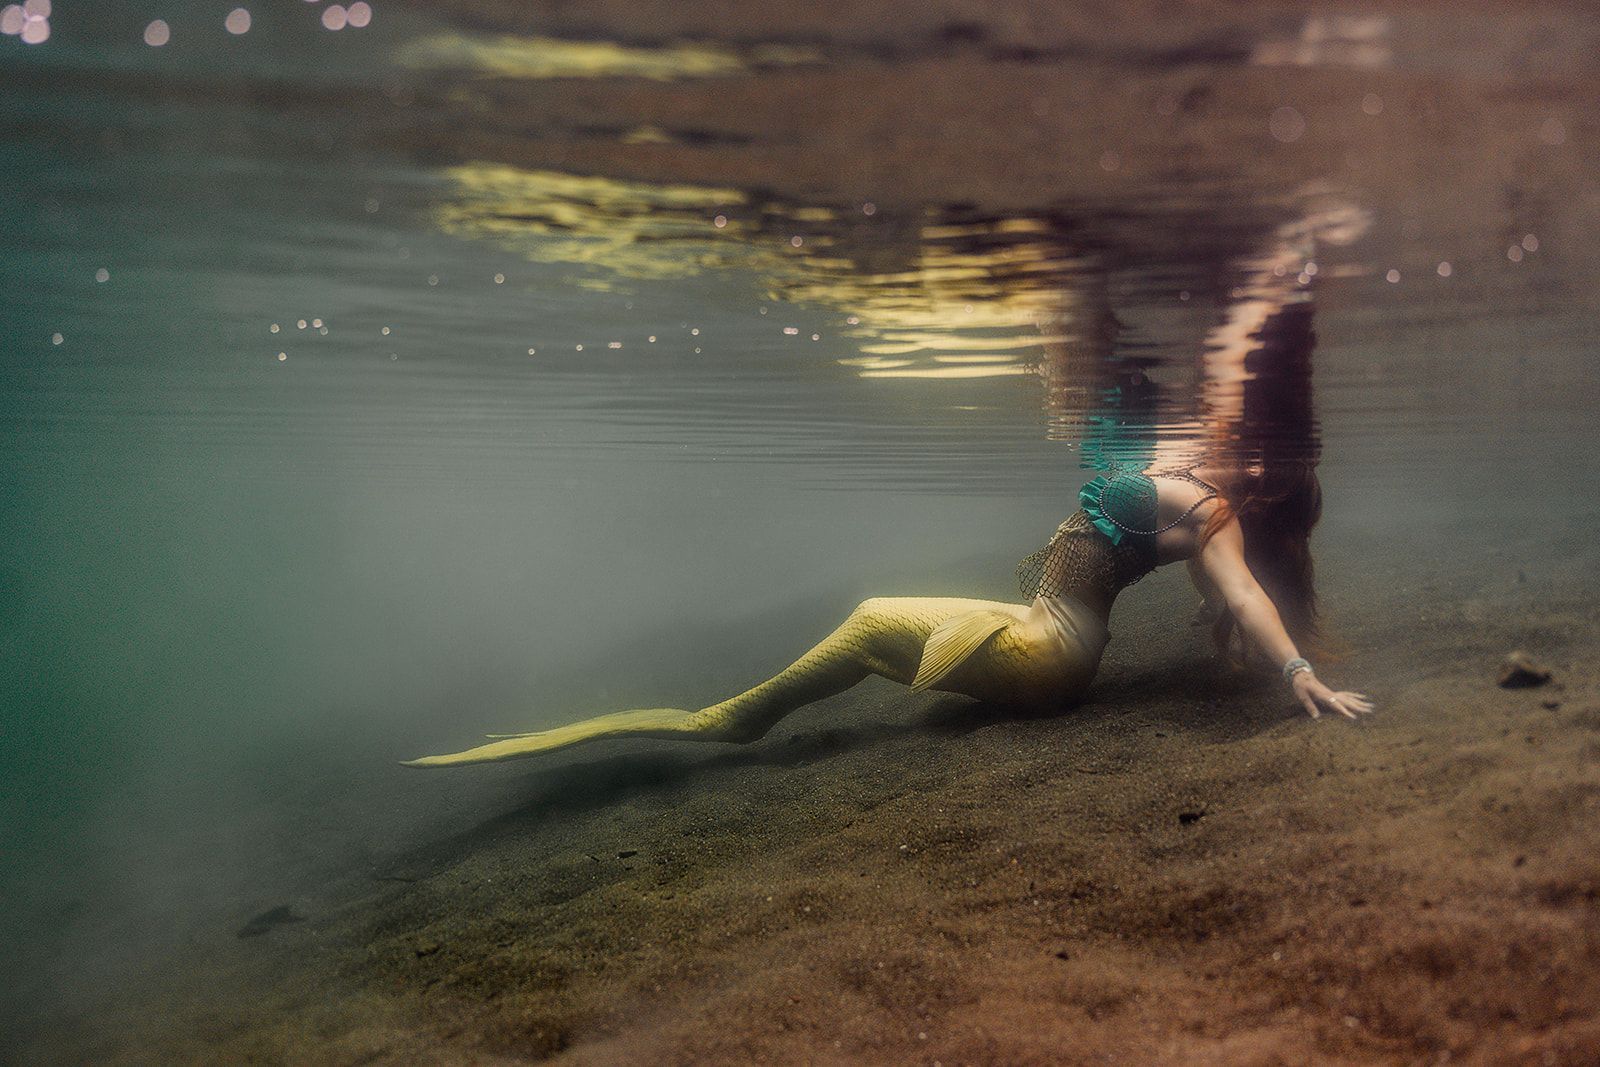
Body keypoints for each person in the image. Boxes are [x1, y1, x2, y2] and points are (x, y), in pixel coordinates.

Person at [403, 221, 1372, 770]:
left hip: (1053, 652)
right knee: (874, 620)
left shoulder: (1213, 516)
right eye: (1265, 454)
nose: (1252, 451)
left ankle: (725, 722)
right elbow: (1232, 561)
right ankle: (723, 719)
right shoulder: (1197, 474)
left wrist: (1295, 672)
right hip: (1042, 629)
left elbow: (1245, 595)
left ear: (1264, 489)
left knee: (870, 620)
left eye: (1270, 466)